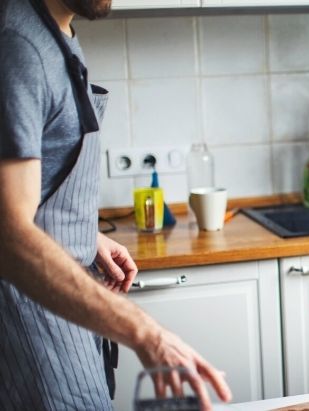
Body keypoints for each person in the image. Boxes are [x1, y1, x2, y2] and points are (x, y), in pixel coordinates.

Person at [0, 0, 231, 409]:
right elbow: (9, 235)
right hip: (34, 323)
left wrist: (80, 233)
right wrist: (147, 333)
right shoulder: (18, 44)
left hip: (66, 308)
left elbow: (35, 179)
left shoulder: (56, 30)